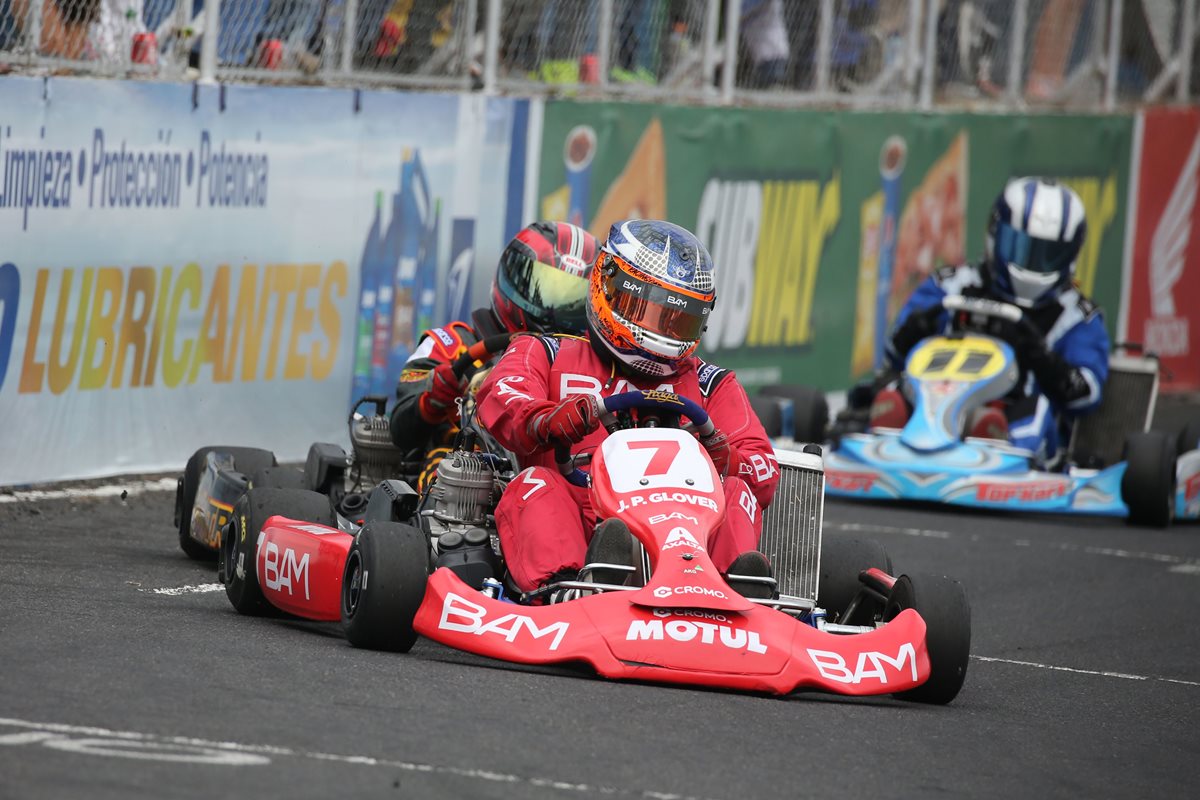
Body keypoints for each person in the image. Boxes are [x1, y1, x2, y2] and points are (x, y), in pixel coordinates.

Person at [475, 219, 781, 602]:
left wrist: (728, 458)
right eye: (647, 310)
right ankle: (571, 589)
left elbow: (765, 471)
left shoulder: (711, 382)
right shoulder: (547, 352)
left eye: (678, 320)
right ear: (607, 286)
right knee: (534, 482)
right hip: (582, 514)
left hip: (689, 531)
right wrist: (545, 419)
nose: (663, 332)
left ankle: (734, 593)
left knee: (738, 490)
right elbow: (502, 399)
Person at [875, 176, 1109, 460]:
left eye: (1047, 255)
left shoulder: (1076, 316)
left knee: (1037, 409)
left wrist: (1040, 357)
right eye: (1021, 246)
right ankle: (887, 430)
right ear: (996, 236)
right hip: (935, 394)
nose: (1031, 263)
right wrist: (917, 328)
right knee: (892, 389)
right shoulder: (951, 285)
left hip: (1015, 410)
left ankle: (993, 440)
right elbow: (893, 352)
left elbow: (1085, 393)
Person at [390, 220, 598, 490]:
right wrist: (433, 400)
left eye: (571, 300)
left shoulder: (591, 363)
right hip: (464, 468)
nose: (554, 312)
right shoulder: (451, 345)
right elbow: (399, 431)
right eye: (546, 289)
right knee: (440, 468)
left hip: (563, 472)